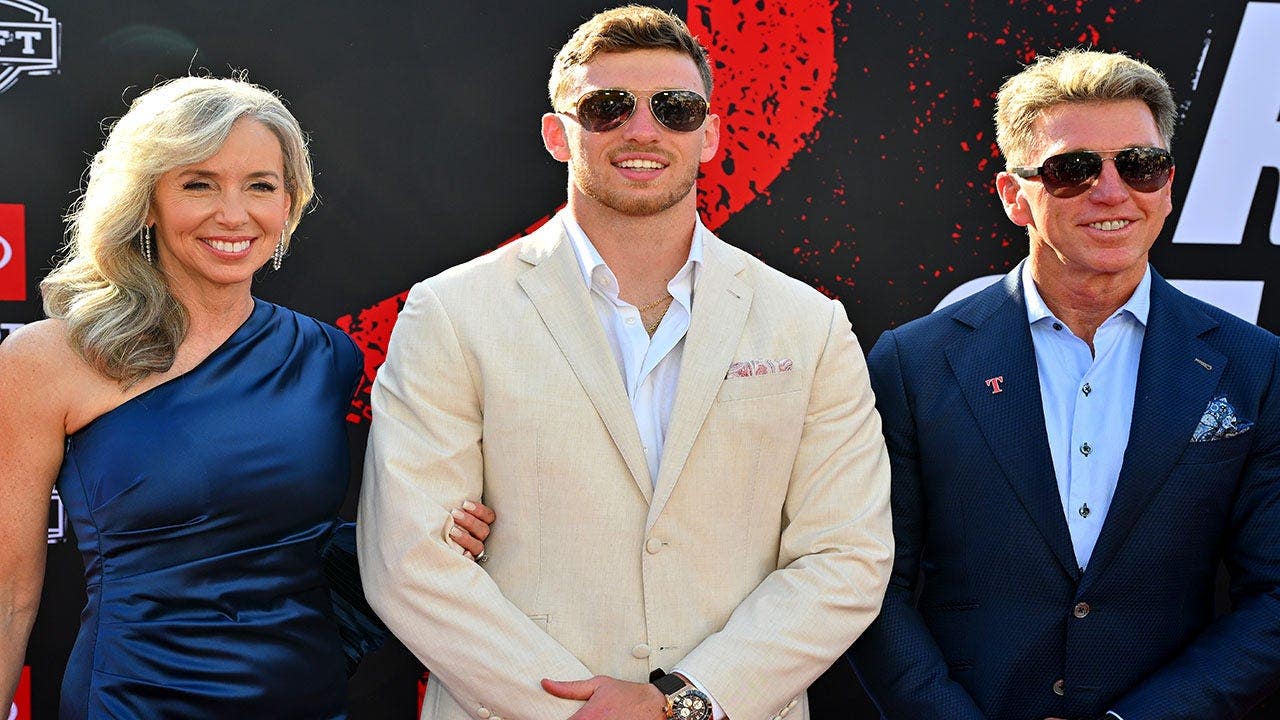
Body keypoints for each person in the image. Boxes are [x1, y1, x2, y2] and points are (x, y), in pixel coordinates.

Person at [358, 6, 893, 720]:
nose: (643, 130)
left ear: (710, 134)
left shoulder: (808, 324)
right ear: (558, 133)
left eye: (674, 108)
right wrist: (576, 712)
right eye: (607, 107)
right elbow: (410, 561)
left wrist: (685, 703)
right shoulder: (453, 312)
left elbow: (845, 556)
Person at [0, 76, 492, 718]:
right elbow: (8, 593)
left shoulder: (325, 357)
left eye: (260, 186)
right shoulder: (51, 360)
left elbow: (308, 545)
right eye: (199, 184)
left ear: (289, 204)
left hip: (303, 700)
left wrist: (432, 532)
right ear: (146, 202)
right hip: (134, 702)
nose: (233, 215)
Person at [848, 48, 1280, 719]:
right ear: (1013, 196)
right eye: (1073, 170)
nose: (1112, 192)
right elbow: (870, 584)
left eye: (1140, 165)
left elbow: (1274, 596)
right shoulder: (914, 363)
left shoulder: (1252, 365)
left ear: (1168, 185)